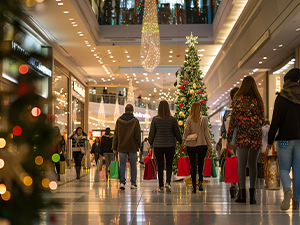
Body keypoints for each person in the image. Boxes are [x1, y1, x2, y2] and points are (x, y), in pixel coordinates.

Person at [227, 76, 264, 204]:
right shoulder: (258, 101)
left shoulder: (238, 101)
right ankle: (252, 197)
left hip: (242, 136)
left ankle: (242, 195)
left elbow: (233, 122)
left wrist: (229, 138)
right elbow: (262, 120)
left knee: (241, 165)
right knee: (253, 164)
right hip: (255, 136)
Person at [268, 68, 300, 210]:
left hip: (285, 140)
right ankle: (297, 200)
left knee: (284, 168)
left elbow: (275, 122)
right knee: (298, 169)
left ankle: (287, 191)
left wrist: (269, 140)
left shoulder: (281, 98)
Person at [148, 100, 182, 193]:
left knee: (160, 165)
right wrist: (181, 141)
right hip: (170, 145)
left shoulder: (155, 119)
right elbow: (177, 133)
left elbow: (152, 133)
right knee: (169, 164)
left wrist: (150, 143)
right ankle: (168, 183)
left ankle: (160, 186)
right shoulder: (173, 119)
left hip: (158, 145)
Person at [182, 102, 212, 193]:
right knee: (200, 165)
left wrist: (182, 142)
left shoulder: (189, 120)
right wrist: (210, 146)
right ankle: (200, 184)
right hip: (202, 144)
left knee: (193, 165)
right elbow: (207, 134)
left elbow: (186, 132)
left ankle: (194, 186)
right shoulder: (204, 119)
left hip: (191, 145)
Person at [112, 104, 141, 190]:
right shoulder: (135, 121)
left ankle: (122, 183)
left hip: (121, 146)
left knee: (122, 165)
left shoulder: (119, 121)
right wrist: (138, 145)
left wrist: (114, 147)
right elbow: (138, 135)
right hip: (132, 147)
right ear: (132, 111)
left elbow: (116, 135)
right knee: (133, 165)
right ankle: (133, 183)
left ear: (125, 111)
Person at [221, 87, 239, 198]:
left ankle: (233, 184)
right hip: (242, 140)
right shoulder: (242, 108)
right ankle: (240, 186)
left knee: (232, 161)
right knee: (240, 162)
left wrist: (226, 138)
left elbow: (224, 129)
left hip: (230, 141)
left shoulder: (228, 110)